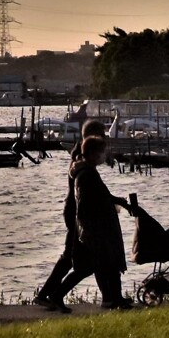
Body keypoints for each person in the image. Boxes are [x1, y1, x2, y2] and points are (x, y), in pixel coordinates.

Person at [34, 119, 109, 312]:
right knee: (73, 256)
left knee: (69, 256)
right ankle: (49, 294)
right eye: (101, 134)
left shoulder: (82, 151)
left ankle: (47, 294)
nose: (104, 138)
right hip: (76, 211)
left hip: (74, 209)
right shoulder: (82, 155)